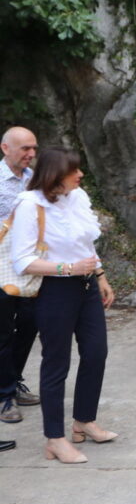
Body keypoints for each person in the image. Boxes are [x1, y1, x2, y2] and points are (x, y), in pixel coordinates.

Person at [10, 147, 116, 463]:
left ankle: (84, 420)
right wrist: (67, 269)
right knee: (57, 362)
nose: (80, 174)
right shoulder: (30, 205)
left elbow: (86, 243)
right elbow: (22, 261)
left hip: (86, 286)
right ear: (55, 174)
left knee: (97, 352)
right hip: (54, 290)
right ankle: (54, 439)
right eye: (74, 170)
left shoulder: (77, 197)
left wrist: (100, 274)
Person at [0, 127, 40, 426]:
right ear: (5, 148)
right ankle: (4, 396)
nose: (31, 154)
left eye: (34, 148)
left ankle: (13, 383)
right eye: (25, 148)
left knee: (28, 325)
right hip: (1, 270)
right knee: (2, 334)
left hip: (30, 270)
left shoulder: (33, 180)